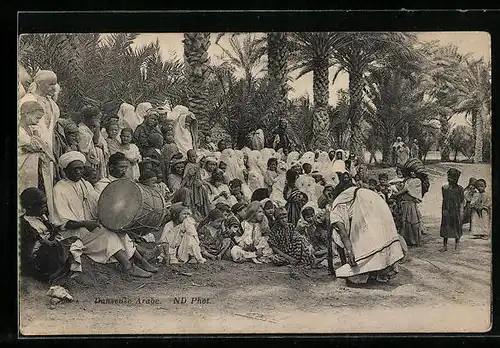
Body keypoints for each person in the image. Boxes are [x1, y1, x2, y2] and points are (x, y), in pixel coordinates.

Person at [52, 151, 157, 278]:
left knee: (118, 229)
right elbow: (62, 222)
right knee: (106, 233)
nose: (78, 172)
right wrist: (85, 223)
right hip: (73, 231)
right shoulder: (59, 189)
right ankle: (128, 267)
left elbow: (100, 202)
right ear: (65, 170)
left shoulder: (84, 184)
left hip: (87, 226)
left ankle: (140, 260)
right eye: (74, 169)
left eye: (80, 168)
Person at [329, 180, 405, 284]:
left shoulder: (336, 208)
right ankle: (381, 270)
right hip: (376, 201)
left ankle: (369, 270)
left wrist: (350, 252)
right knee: (379, 237)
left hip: (365, 203)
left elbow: (343, 234)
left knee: (366, 243)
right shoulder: (349, 198)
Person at [19, 188, 83, 284]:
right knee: (59, 249)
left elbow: (52, 230)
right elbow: (32, 245)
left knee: (74, 243)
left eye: (45, 205)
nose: (45, 208)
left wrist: (56, 237)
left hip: (47, 247)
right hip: (35, 256)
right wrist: (55, 243)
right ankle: (53, 274)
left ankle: (62, 268)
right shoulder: (24, 223)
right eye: (42, 206)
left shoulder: (41, 217)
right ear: (30, 207)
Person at [22, 70, 60, 221]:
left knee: (45, 185)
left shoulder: (51, 103)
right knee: (30, 185)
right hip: (28, 153)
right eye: (50, 84)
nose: (54, 87)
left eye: (55, 84)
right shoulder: (28, 100)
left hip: (45, 151)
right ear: (39, 84)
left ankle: (43, 221)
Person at [18, 99, 51, 195]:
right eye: (37, 118)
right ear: (27, 114)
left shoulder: (31, 129)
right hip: (22, 168)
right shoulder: (20, 131)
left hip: (32, 169)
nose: (37, 122)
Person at [392, 170, 423, 247]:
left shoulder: (417, 181)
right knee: (405, 222)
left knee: (413, 222)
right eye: (411, 171)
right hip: (404, 203)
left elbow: (407, 189)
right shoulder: (407, 180)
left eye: (414, 172)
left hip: (411, 203)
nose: (412, 173)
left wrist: (396, 194)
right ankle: (408, 241)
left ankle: (416, 241)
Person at [78, 105, 109, 181]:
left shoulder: (93, 128)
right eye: (98, 118)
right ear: (92, 118)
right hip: (88, 161)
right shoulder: (82, 130)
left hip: (98, 161)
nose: (99, 121)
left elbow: (98, 141)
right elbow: (87, 146)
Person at [439, 168, 464, 252]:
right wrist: (444, 210)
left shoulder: (460, 189)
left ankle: (457, 246)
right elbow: (444, 199)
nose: (450, 179)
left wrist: (460, 212)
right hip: (446, 210)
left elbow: (461, 200)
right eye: (449, 177)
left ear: (457, 178)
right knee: (445, 227)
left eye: (452, 178)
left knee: (456, 227)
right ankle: (444, 246)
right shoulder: (444, 188)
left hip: (455, 211)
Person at [181, 150, 211, 218]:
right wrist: (190, 175)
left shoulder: (196, 165)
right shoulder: (188, 166)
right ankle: (194, 212)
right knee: (194, 199)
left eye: (194, 156)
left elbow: (199, 177)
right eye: (191, 157)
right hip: (192, 185)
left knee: (204, 190)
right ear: (189, 158)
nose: (193, 158)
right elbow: (185, 177)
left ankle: (203, 212)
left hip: (198, 184)